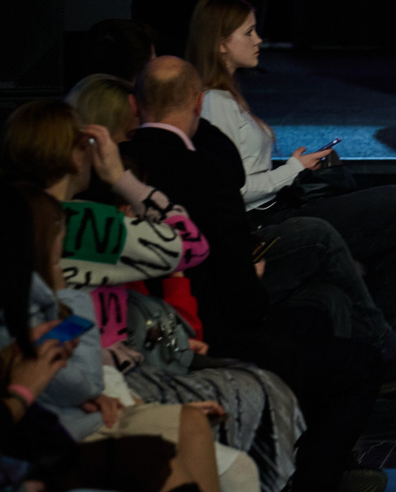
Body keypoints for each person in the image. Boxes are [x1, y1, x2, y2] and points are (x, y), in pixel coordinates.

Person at [187, 0, 396, 386]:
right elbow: (232, 192)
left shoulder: (229, 96)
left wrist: (298, 168)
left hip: (278, 207)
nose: (259, 40)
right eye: (249, 32)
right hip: (265, 224)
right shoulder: (215, 104)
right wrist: (292, 169)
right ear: (221, 43)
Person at [122, 58, 386, 492]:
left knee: (317, 314)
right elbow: (241, 296)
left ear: (135, 106)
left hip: (158, 322)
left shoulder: (120, 168)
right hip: (203, 333)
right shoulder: (206, 170)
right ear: (199, 102)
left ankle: (306, 454)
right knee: (361, 363)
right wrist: (253, 276)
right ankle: (312, 480)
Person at [37, 85, 307, 491]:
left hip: (86, 379)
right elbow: (190, 245)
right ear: (84, 153)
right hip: (89, 391)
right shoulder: (83, 224)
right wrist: (121, 178)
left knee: (244, 409)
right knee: (251, 410)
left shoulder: (33, 217)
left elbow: (58, 321)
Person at [0, 184, 229, 492]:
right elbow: (83, 376)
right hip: (59, 431)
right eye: (56, 260)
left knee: (192, 426)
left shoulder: (33, 301)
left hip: (73, 415)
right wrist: (69, 296)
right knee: (167, 458)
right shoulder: (37, 303)